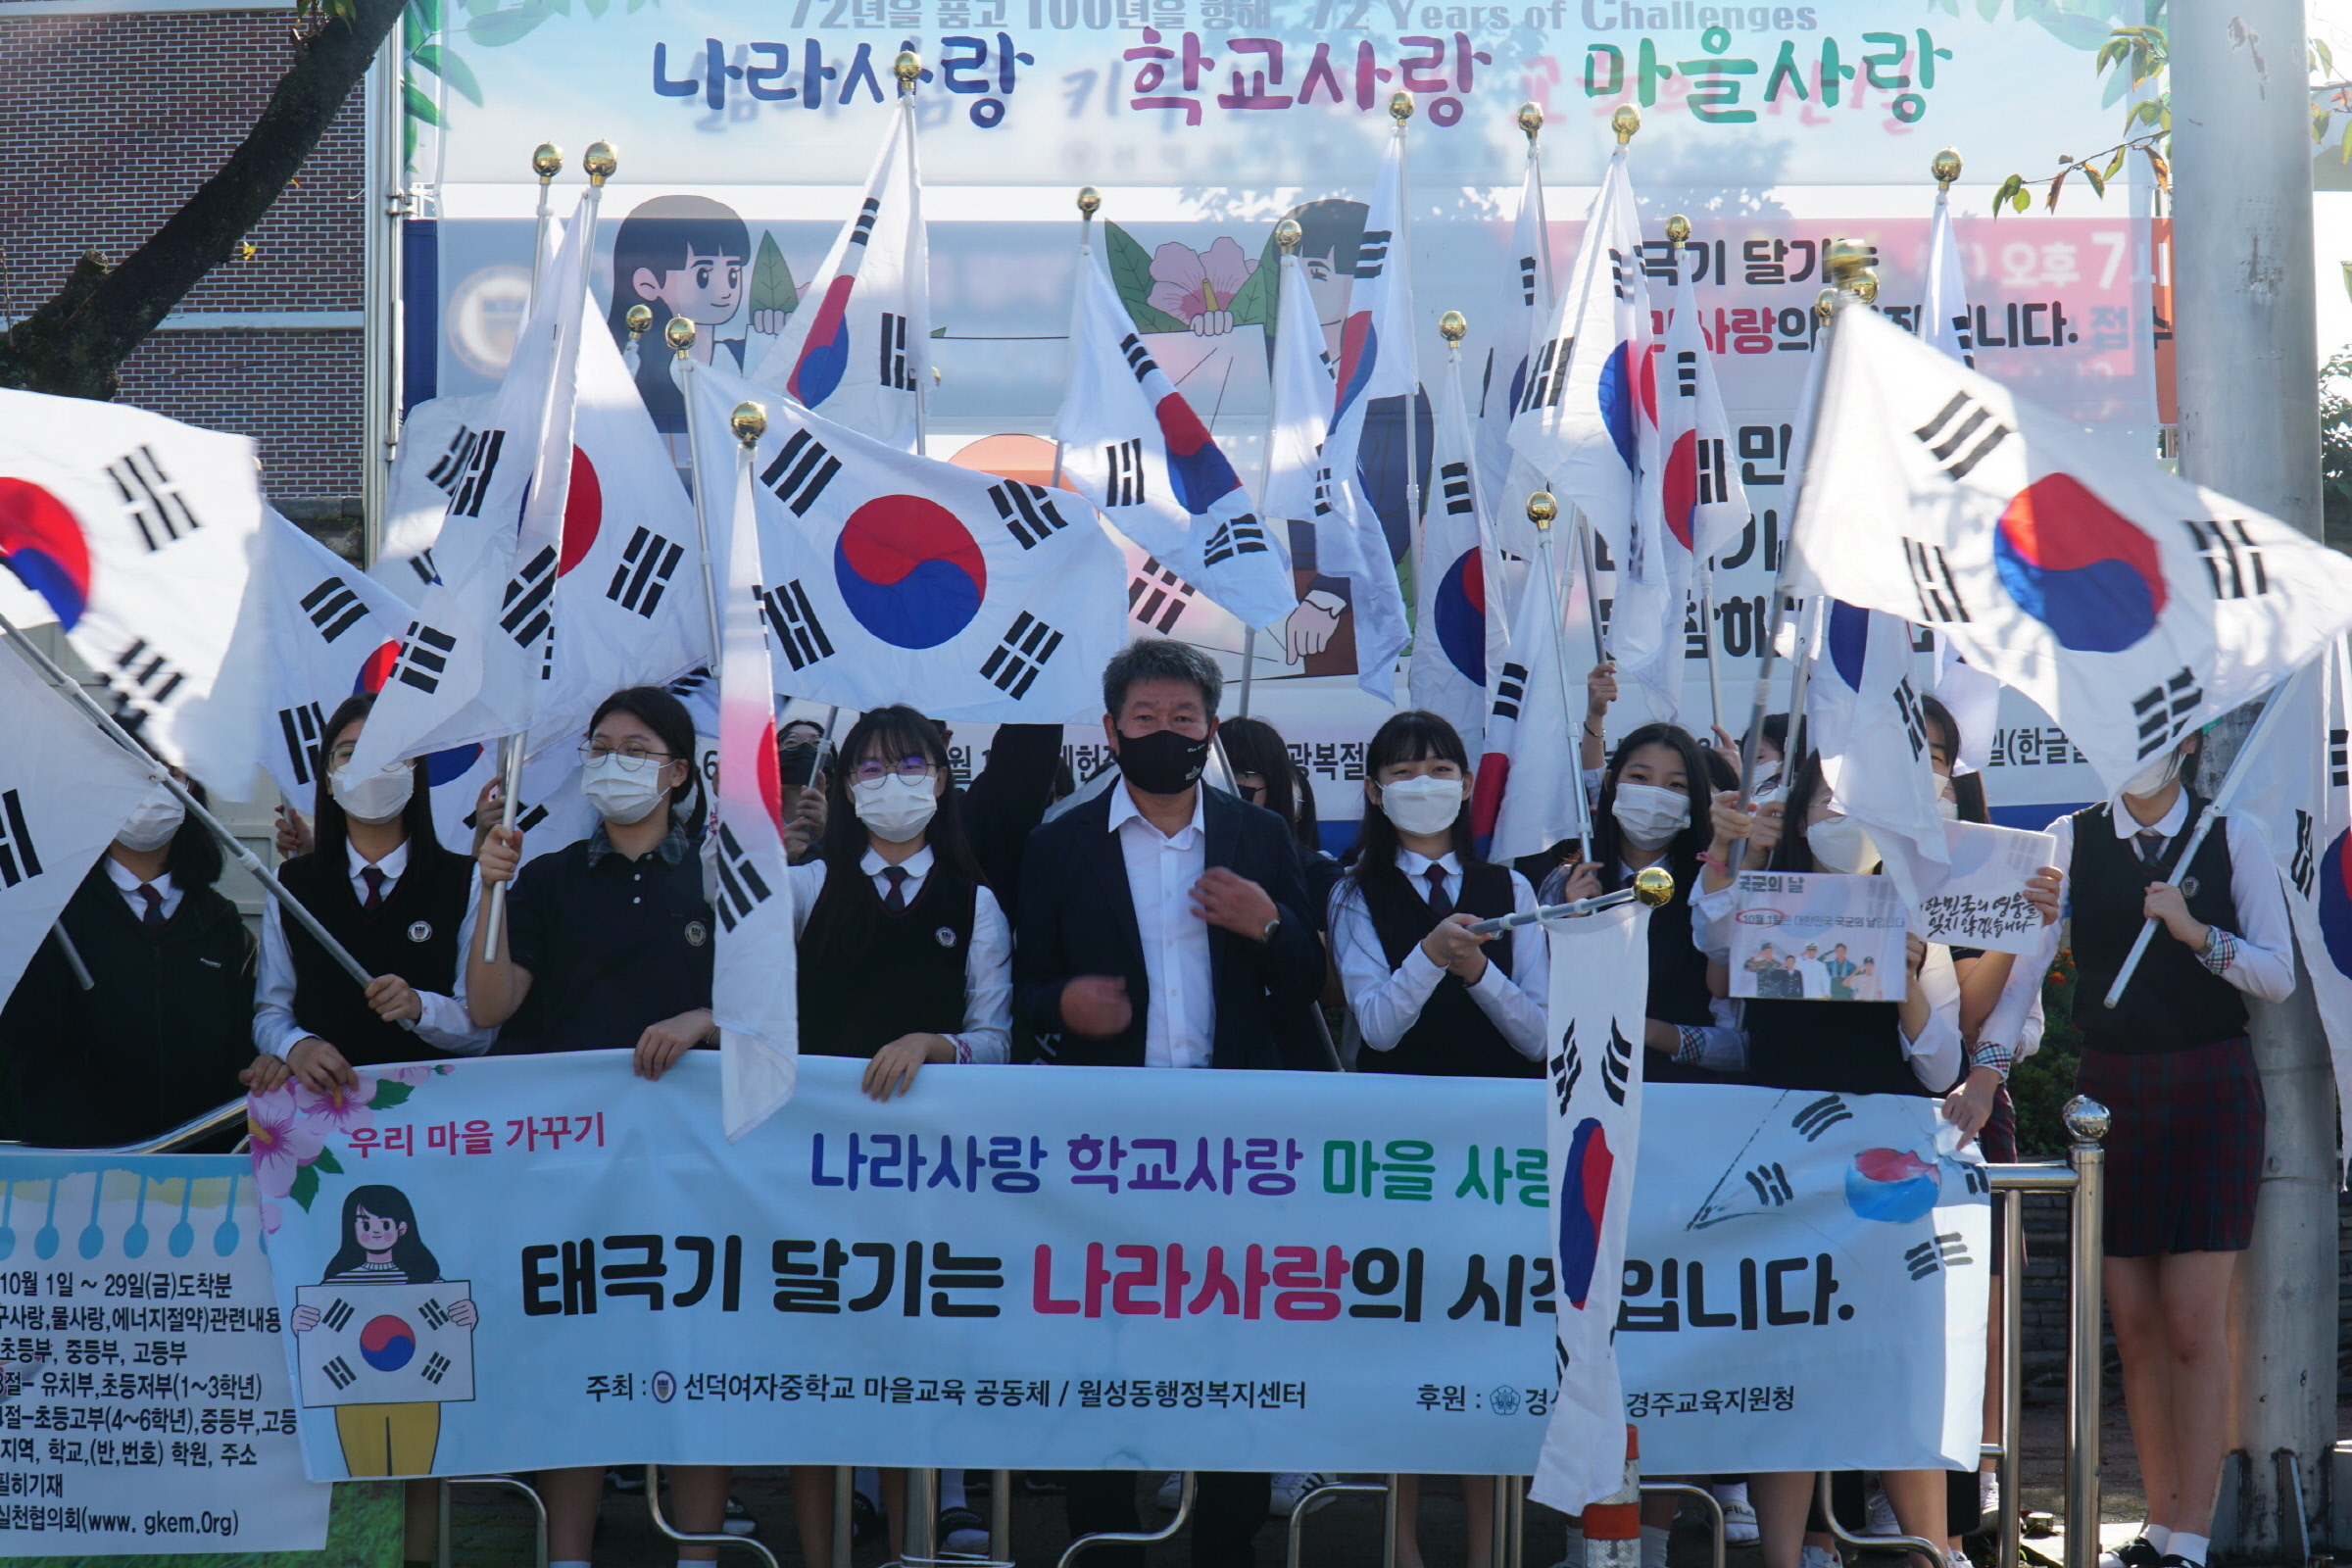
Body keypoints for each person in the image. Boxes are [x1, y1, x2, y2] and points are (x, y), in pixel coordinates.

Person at [1015, 639, 1331, 1568]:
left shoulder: (1259, 839)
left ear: (1211, 730)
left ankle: (1224, 1543)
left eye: (1183, 720)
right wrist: (1063, 1006)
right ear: (1110, 732)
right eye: (1145, 721)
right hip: (1106, 1146)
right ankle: (1104, 1545)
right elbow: (1027, 991)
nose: (1165, 734)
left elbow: (1309, 977)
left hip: (1234, 1142)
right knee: (1104, 1353)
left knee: (1230, 1352)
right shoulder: (1059, 844)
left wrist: (1265, 924)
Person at [1976, 732, 2293, 1568]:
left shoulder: (2234, 836)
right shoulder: (2070, 837)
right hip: (2109, 1094)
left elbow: (2277, 973)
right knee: (2138, 1330)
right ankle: (2155, 1526)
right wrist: (1984, 1074)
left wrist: (2194, 932)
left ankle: (2192, 1536)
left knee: (2193, 1325)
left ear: (2187, 742)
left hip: (2212, 1086)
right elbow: (2023, 977)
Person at [466, 685, 742, 1568]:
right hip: (570, 1171)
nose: (613, 761)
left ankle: (697, 1554)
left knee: (696, 1360)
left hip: (693, 1165)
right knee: (575, 1360)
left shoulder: (723, 874)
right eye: (600, 745)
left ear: (676, 772)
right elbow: (487, 1003)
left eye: (636, 748)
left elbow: (770, 1018)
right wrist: (489, 893)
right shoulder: (545, 877)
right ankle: (568, 1556)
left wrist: (704, 1019)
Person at [1697, 754, 1971, 1568]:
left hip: (1883, 1166)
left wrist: (1912, 976)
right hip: (1780, 1155)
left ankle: (1930, 1550)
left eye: (1860, 802)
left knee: (1894, 1365)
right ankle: (1785, 1557)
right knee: (1788, 1365)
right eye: (1825, 800)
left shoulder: (1915, 909)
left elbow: (1938, 1066)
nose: (1841, 817)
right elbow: (1710, 938)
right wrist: (1726, 848)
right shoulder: (1763, 899)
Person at [783, 702, 1006, 1560]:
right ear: (842, 787)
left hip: (936, 1171)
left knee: (926, 1330)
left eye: (912, 766)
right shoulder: (804, 887)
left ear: (944, 779)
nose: (892, 785)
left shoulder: (975, 902)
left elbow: (996, 1039)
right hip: (818, 1166)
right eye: (870, 770)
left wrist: (933, 1045)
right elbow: (758, 1017)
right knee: (833, 1330)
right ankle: (847, 1513)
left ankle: (934, 1507)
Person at [1327, 709, 1544, 1568]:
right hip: (1401, 1150)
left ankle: (1493, 1545)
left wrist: (1478, 971)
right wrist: (1428, 954)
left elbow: (1540, 1032)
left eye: (1440, 766)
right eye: (1405, 770)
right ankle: (1403, 1544)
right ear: (1376, 792)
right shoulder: (1350, 891)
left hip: (1497, 1148)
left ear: (1465, 781)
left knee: (1490, 1338)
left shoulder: (1510, 889)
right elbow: (1374, 1026)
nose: (1425, 782)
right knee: (1406, 1337)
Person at [247, 693, 490, 1099]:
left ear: (415, 771)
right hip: (323, 1121)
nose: (369, 766)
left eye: (389, 752)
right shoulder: (290, 885)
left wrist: (419, 1007)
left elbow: (481, 1030)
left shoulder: (466, 880)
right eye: (349, 754)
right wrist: (296, 1047)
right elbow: (270, 1013)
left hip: (433, 1123)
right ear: (327, 778)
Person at [0, 772, 255, 1146]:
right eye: (132, 770)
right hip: (82, 1165)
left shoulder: (220, 922)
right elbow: (27, 1038)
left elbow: (240, 1046)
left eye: (169, 771)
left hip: (198, 1164)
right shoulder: (55, 915)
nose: (151, 786)